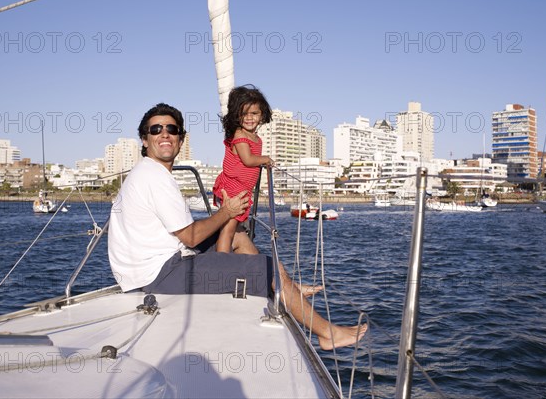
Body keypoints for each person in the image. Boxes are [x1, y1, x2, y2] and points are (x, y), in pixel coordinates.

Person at [108, 102, 366, 350]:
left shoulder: (149, 172)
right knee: (268, 267)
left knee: (238, 236)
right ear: (144, 140)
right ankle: (326, 334)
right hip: (158, 276)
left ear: (181, 138)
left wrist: (226, 219)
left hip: (152, 266)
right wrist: (227, 211)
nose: (164, 134)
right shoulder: (155, 178)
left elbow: (185, 234)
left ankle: (285, 289)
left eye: (171, 129)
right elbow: (190, 237)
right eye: (155, 130)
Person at [212, 85, 275, 253]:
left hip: (242, 189)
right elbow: (248, 160)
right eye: (244, 114)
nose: (249, 118)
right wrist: (265, 160)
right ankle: (221, 263)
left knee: (232, 228)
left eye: (254, 113)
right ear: (236, 115)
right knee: (228, 229)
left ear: (262, 114)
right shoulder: (240, 135)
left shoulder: (255, 138)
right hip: (233, 189)